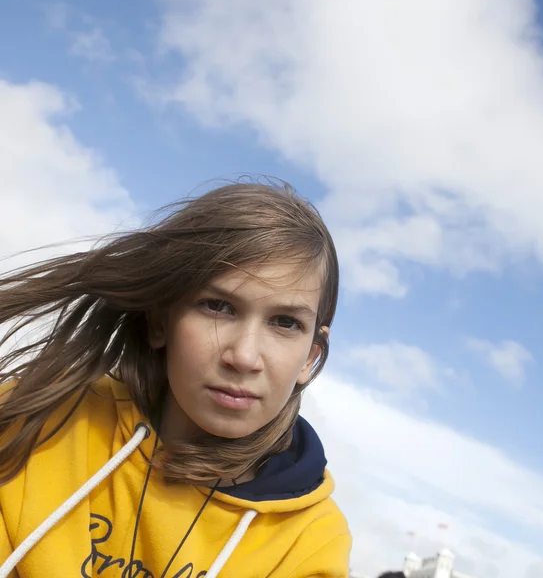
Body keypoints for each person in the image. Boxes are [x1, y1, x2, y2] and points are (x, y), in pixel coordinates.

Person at [0, 180, 351, 578]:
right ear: (159, 322)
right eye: (218, 306)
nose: (244, 357)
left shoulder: (310, 542)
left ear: (310, 357)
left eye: (285, 322)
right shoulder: (41, 417)